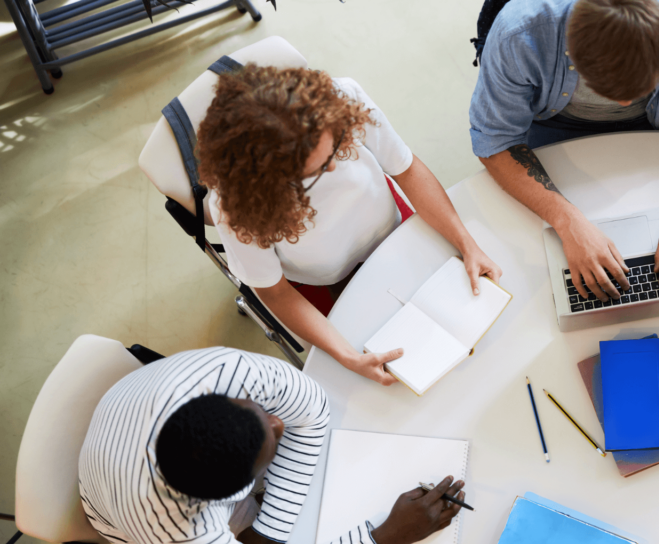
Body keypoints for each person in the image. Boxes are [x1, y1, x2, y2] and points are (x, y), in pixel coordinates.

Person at [196, 65, 502, 386]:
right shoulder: (235, 206)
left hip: (391, 227)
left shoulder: (342, 97)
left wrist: (467, 244)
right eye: (311, 173)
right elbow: (275, 292)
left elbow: (406, 169)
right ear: (269, 179)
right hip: (323, 282)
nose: (332, 166)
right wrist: (348, 357)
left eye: (334, 146)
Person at [469, 0, 659, 301]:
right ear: (570, 47)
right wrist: (567, 222)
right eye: (602, 87)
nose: (624, 104)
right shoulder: (519, 32)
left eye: (639, 88)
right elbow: (496, 140)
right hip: (554, 124)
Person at [79, 347, 466, 544]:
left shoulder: (226, 373)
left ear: (219, 399)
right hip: (119, 512)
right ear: (231, 496)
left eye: (258, 412)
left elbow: (312, 412)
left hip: (123, 428)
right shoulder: (181, 535)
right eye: (271, 445)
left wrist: (269, 534)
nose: (278, 422)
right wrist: (388, 537)